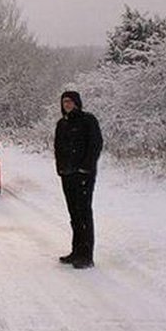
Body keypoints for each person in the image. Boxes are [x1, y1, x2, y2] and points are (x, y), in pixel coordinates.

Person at [54, 90, 103, 269]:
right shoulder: (61, 124)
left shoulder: (88, 120)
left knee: (84, 213)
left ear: (77, 103)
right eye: (64, 102)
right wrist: (60, 168)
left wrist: (86, 167)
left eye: (70, 101)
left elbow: (96, 145)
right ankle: (76, 251)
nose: (67, 104)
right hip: (67, 174)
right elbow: (58, 147)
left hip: (83, 175)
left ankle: (86, 255)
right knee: (73, 214)